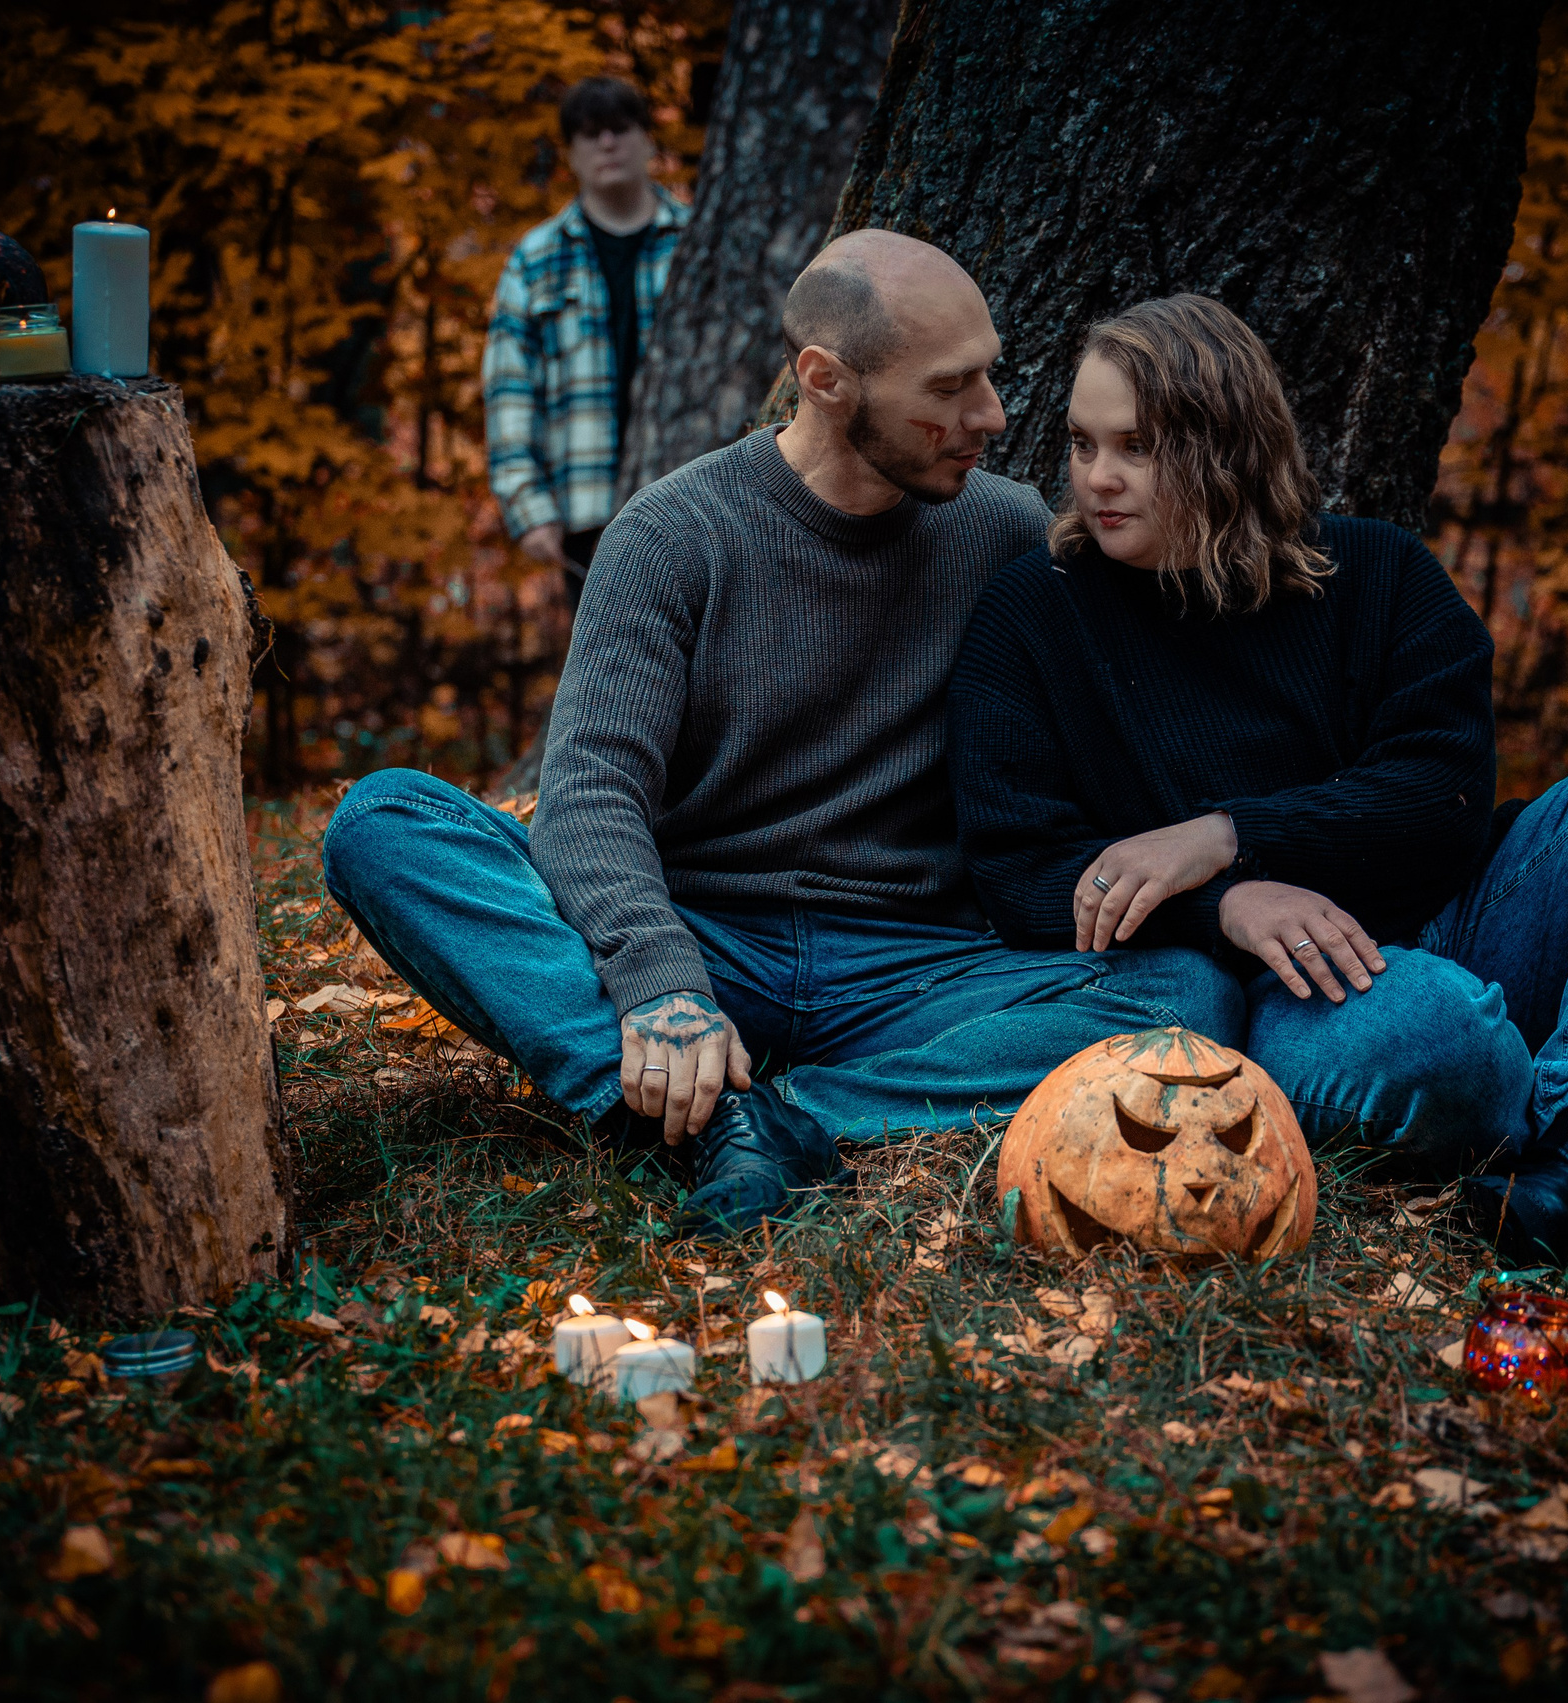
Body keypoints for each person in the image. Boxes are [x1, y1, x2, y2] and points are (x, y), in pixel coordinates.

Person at [325, 236, 1240, 1234]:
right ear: (826, 379)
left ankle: (764, 1117)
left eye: (989, 372)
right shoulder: (674, 534)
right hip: (705, 937)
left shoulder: (1003, 531)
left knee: (1184, 993)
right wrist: (662, 980)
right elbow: (591, 795)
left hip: (914, 967)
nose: (992, 413)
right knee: (384, 821)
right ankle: (698, 1086)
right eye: (953, 384)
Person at [947, 293, 1568, 1266]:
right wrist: (1223, 902)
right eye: (1082, 445)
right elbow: (1020, 870)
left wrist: (1222, 835)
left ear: (1228, 446)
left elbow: (1446, 797)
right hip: (1294, 992)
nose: (1098, 479)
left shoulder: (1377, 573)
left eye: (1134, 446)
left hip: (1467, 909)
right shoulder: (1033, 614)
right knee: (1440, 1039)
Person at [483, 76, 692, 612]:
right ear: (571, 153)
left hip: (694, 505)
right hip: (587, 517)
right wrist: (530, 508)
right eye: (589, 133)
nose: (607, 144)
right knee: (614, 686)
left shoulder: (697, 244)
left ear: (647, 139)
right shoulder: (536, 259)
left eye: (620, 129)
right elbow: (510, 392)